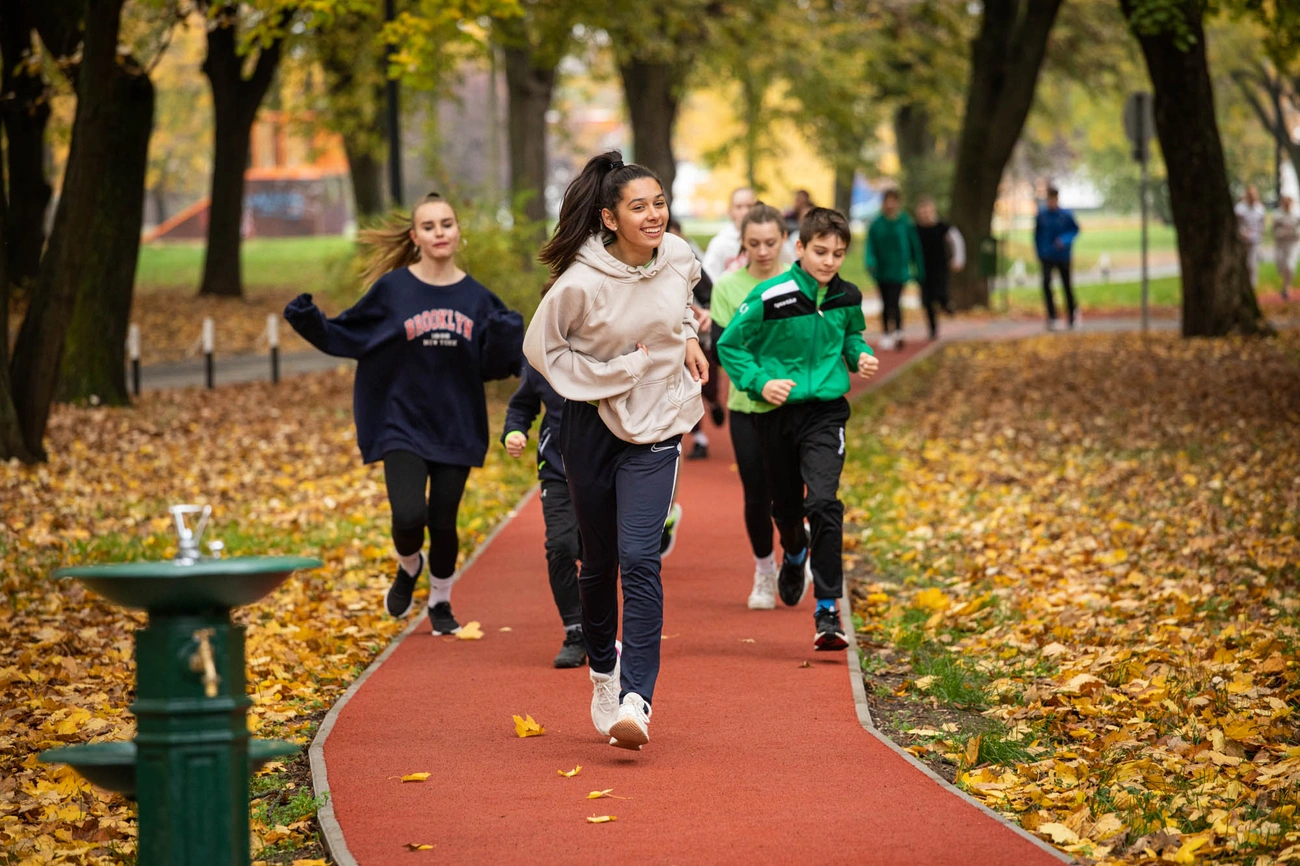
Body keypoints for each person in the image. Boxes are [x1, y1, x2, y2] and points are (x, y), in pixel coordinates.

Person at [525, 150, 709, 751]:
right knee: (598, 563)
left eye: (659, 203)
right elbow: (543, 353)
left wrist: (684, 339)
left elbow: (681, 297)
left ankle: (637, 699)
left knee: (641, 557)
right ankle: (603, 675)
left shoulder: (678, 254)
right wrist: (618, 371)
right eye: (639, 207)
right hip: (591, 427)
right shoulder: (578, 285)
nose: (654, 216)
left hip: (658, 422)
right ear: (609, 218)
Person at [284, 192, 523, 636]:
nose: (439, 233)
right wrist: (312, 322)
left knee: (444, 520)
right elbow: (350, 333)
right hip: (400, 422)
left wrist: (511, 344)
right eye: (429, 226)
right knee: (409, 515)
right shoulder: (393, 291)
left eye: (447, 224)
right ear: (415, 237)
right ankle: (409, 563)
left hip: (456, 423)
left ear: (458, 232)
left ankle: (440, 599)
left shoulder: (478, 299)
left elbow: (494, 366)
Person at [717, 208, 880, 651]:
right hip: (775, 413)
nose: (829, 262)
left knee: (824, 502)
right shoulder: (771, 295)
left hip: (826, 412)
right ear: (801, 248)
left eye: (838, 254)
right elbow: (729, 344)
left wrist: (858, 355)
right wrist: (760, 382)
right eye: (821, 252)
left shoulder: (847, 296)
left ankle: (827, 610)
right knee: (786, 510)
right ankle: (793, 551)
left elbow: (852, 336)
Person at [710, 202, 795, 610]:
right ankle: (765, 571)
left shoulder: (800, 282)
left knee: (791, 493)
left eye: (770, 243)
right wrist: (760, 378)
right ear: (742, 244)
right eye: (754, 244)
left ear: (784, 240)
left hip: (796, 402)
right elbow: (726, 348)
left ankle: (796, 551)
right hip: (746, 404)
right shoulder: (728, 287)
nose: (763, 251)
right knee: (756, 491)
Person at [502, 359, 586, 669]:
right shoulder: (542, 355)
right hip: (556, 471)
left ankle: (601, 631)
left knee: (598, 554)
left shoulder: (610, 343)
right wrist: (514, 431)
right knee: (560, 547)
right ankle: (575, 632)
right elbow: (522, 406)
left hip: (605, 471)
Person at [670, 217, 724, 460]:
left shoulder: (691, 263)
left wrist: (707, 314)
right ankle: (699, 439)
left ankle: (713, 403)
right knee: (685, 389)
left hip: (700, 339)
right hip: (670, 344)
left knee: (706, 386)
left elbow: (713, 295)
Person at [865, 188, 924, 350]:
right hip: (882, 270)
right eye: (887, 201)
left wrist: (917, 267)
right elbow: (870, 245)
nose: (890, 204)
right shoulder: (877, 223)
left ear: (898, 202)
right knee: (885, 302)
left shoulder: (905, 222)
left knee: (895, 300)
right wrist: (870, 261)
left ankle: (898, 331)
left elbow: (914, 246)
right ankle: (886, 333)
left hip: (899, 270)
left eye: (893, 200)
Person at [913, 196, 965, 341]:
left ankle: (947, 306)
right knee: (927, 301)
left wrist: (958, 259)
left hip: (940, 267)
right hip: (923, 269)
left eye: (927, 211)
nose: (925, 215)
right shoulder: (915, 230)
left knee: (941, 293)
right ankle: (933, 330)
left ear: (933, 211)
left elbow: (957, 241)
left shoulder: (943, 227)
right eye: (922, 212)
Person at [1035, 186, 1080, 330]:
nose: (1051, 202)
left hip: (1062, 256)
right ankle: (1052, 316)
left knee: (1066, 285)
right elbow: (1037, 235)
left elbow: (1075, 230)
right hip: (1047, 255)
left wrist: (1064, 241)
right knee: (1047, 284)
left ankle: (1072, 315)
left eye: (1053, 199)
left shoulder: (1065, 215)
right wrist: (1040, 252)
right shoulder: (1042, 216)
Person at [702, 187, 756, 282]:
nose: (745, 212)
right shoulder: (720, 243)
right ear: (730, 211)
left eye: (749, 206)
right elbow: (710, 278)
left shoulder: (770, 239)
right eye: (739, 207)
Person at [1272, 195, 1298, 300]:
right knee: (1281, 265)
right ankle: (1285, 281)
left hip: (1292, 244)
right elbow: (1273, 230)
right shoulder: (1277, 215)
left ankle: (1286, 287)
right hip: (1281, 244)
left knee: (1290, 265)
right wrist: (1281, 233)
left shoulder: (1297, 214)